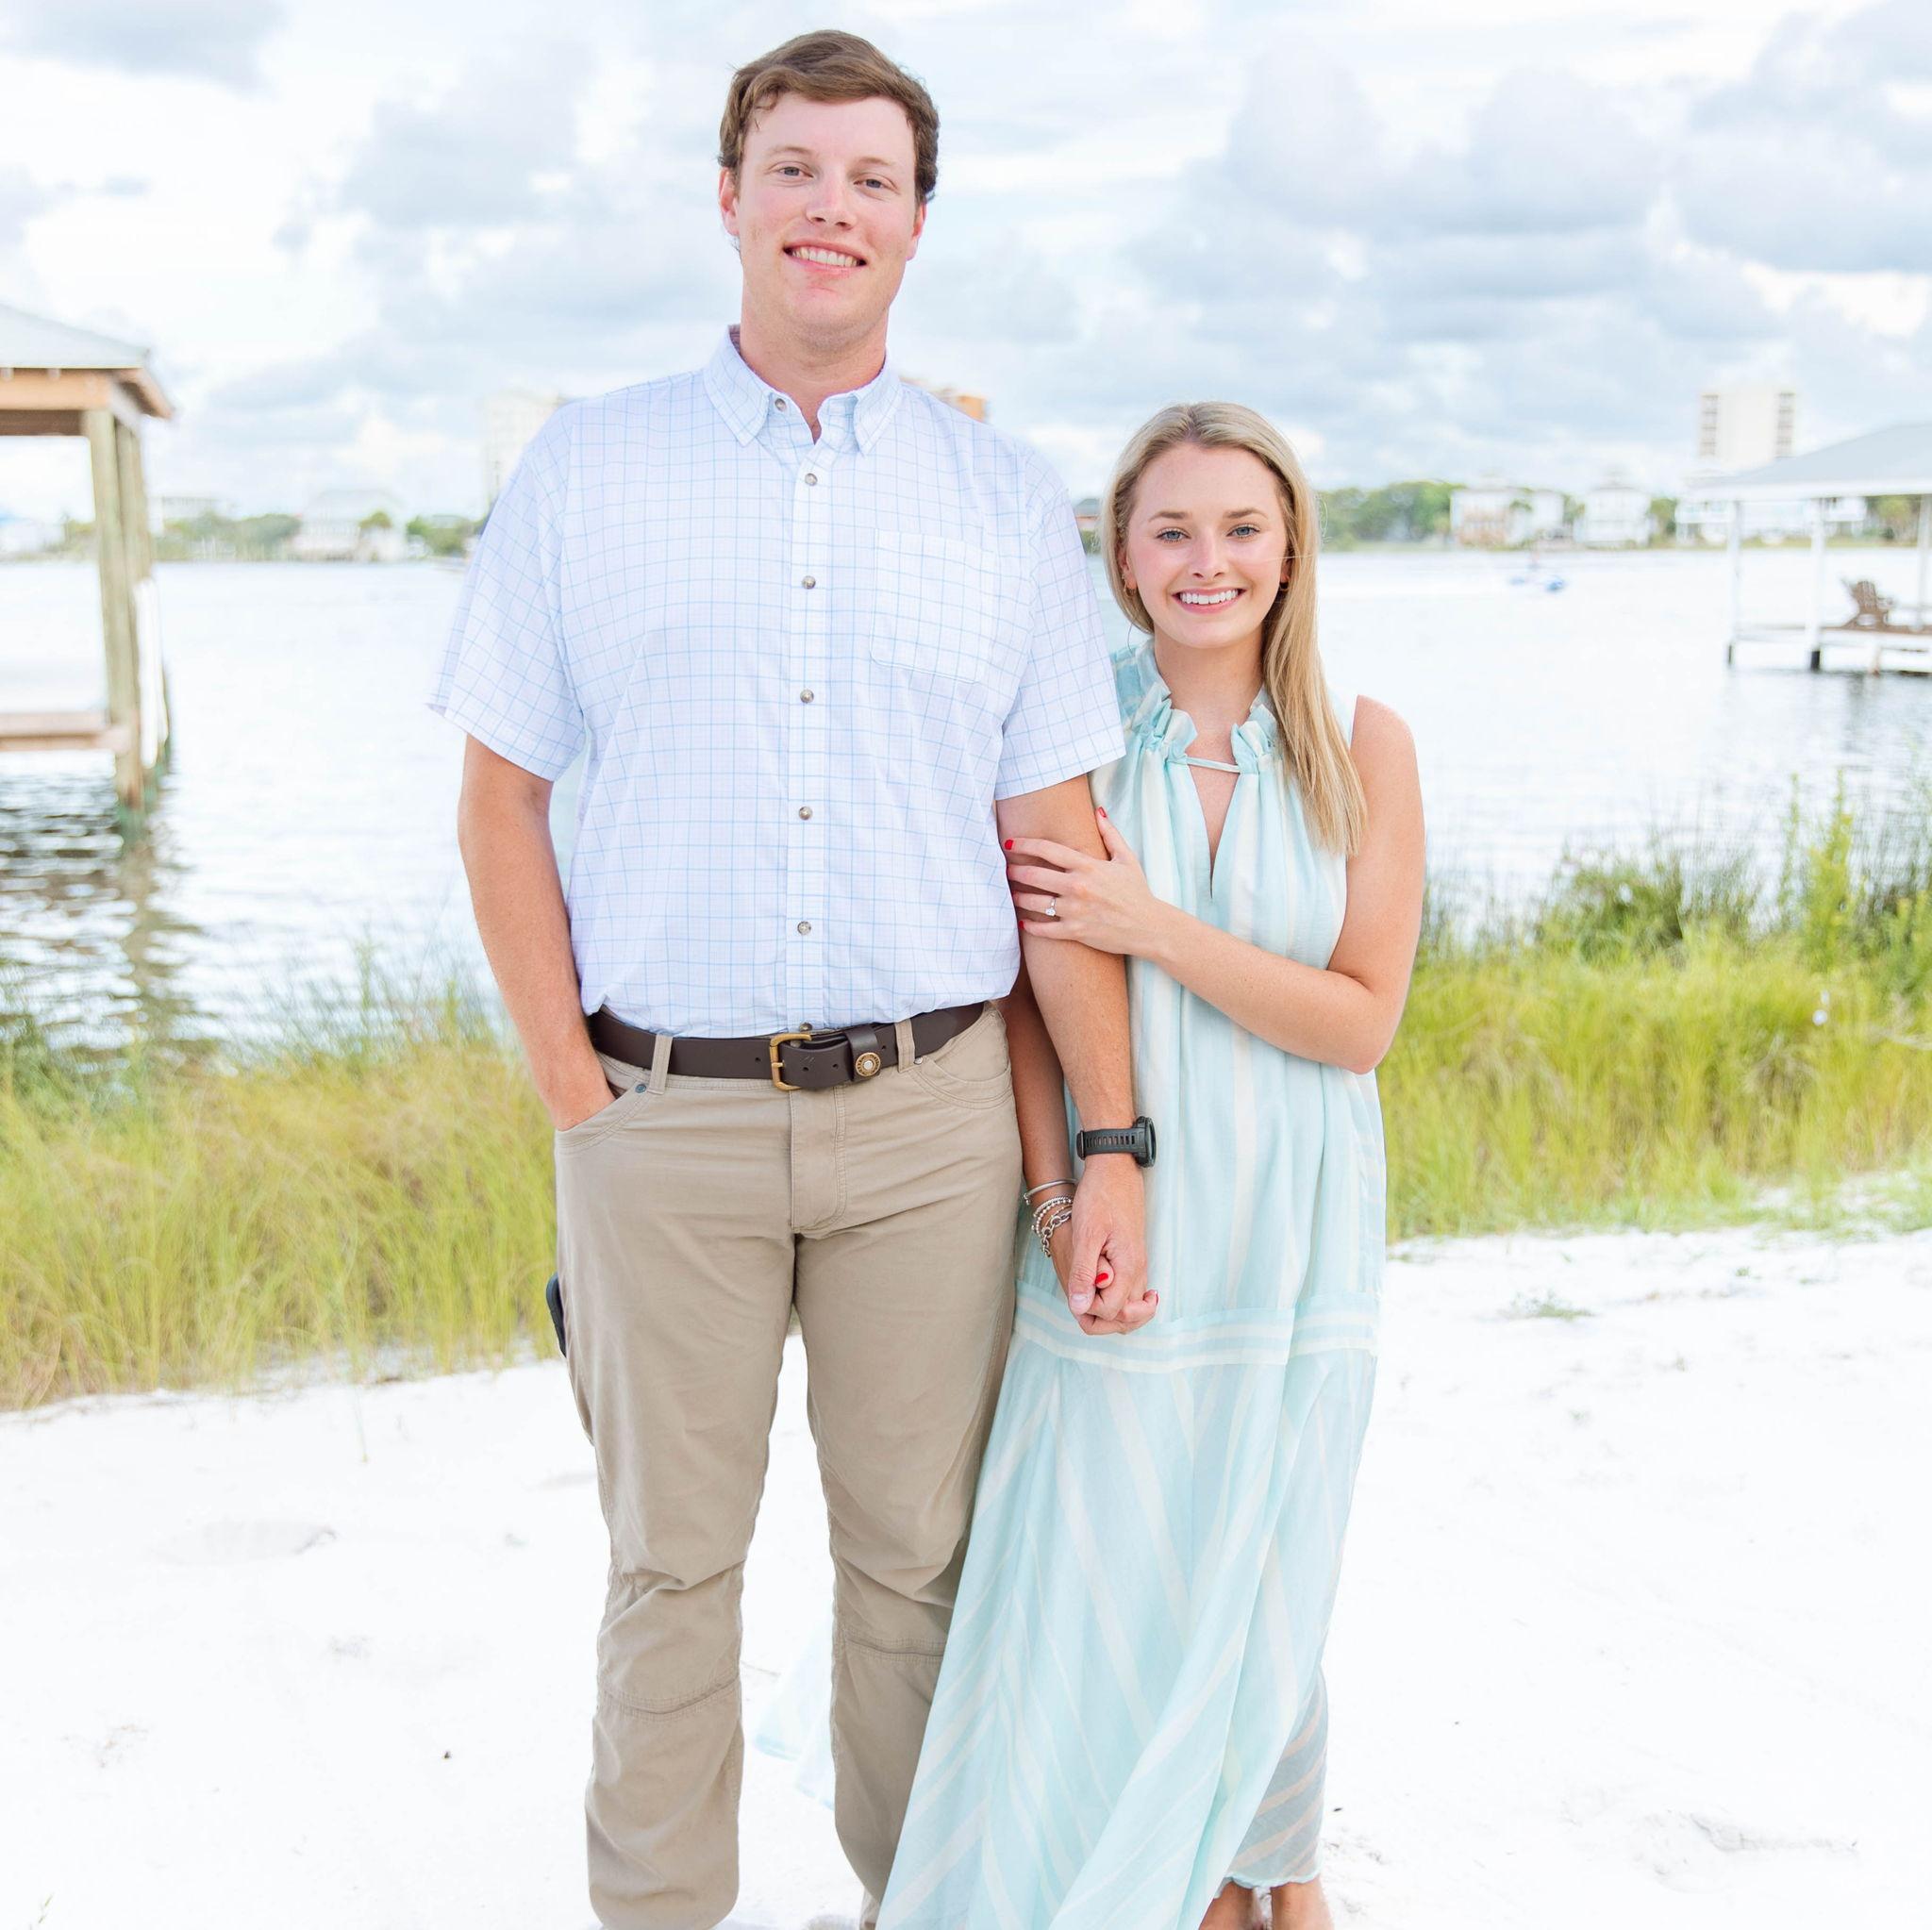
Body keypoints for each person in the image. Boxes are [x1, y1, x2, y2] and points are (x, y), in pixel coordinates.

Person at [427, 30, 1153, 1930]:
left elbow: (1057, 852)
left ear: (916, 223)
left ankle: (928, 1902)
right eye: (798, 170)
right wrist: (576, 1092)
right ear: (732, 197)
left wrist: (1109, 1143)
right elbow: (499, 802)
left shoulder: (1002, 502)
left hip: (931, 1122)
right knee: (669, 1571)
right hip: (658, 1115)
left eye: (873, 179)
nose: (834, 207)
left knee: (918, 1565)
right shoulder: (588, 472)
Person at [875, 403, 1424, 1930]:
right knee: (1104, 1559)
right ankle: (1142, 1879)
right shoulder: (1069, 735)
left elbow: (1360, 1020)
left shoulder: (1363, 745)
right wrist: (1059, 1198)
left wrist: (1156, 926)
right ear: (1119, 553)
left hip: (1297, 1217)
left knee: (1267, 1561)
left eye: (1242, 527)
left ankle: (1267, 1870)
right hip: (1131, 1207)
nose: (1207, 561)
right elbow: (1025, 1008)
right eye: (1171, 528)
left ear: (1291, 546)